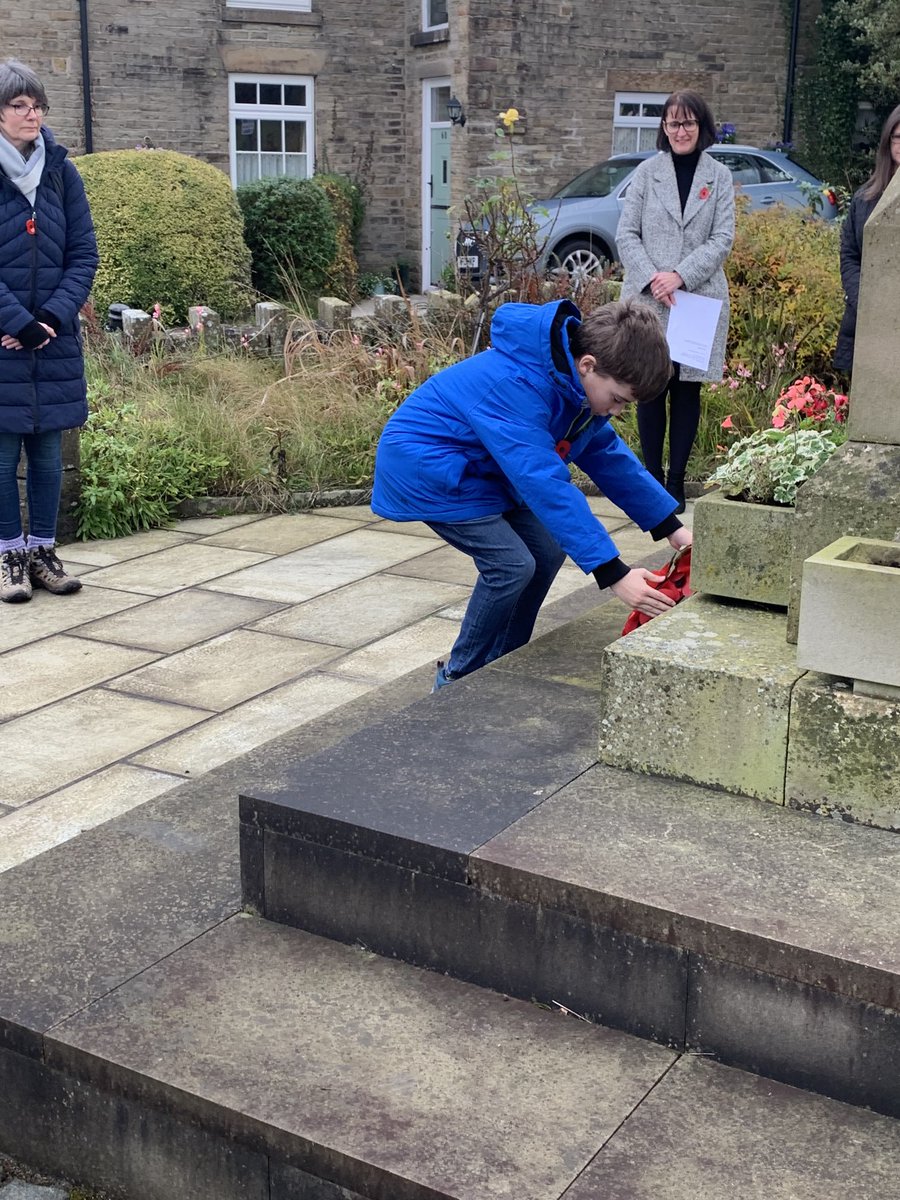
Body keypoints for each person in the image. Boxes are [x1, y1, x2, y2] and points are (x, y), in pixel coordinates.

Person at [371, 298, 693, 690]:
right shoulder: (518, 385)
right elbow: (544, 481)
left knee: (548, 548)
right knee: (510, 566)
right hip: (428, 468)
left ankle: (504, 659)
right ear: (588, 365)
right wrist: (613, 573)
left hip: (479, 469)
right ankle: (458, 677)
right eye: (619, 399)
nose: (618, 411)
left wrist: (672, 528)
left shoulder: (570, 383)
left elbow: (608, 456)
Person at [0, 59, 98, 603]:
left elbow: (84, 253)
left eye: (36, 105)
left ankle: (41, 553)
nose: (30, 115)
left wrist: (49, 321)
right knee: (0, 455)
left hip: (53, 339)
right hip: (3, 340)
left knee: (45, 455)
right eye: (19, 105)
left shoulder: (60, 170)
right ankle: (9, 556)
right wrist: (16, 323)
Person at [616, 90, 735, 513]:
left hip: (696, 298)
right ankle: (650, 481)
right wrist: (655, 277)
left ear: (702, 128)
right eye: (672, 123)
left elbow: (723, 238)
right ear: (663, 129)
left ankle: (675, 481)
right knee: (650, 388)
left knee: (686, 391)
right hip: (650, 299)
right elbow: (626, 234)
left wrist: (680, 275)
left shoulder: (718, 175)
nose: (680, 131)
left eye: (687, 123)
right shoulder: (648, 173)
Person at [835, 104, 900, 376]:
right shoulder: (865, 198)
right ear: (888, 142)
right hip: (866, 323)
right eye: (898, 138)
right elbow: (850, 254)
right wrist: (866, 299)